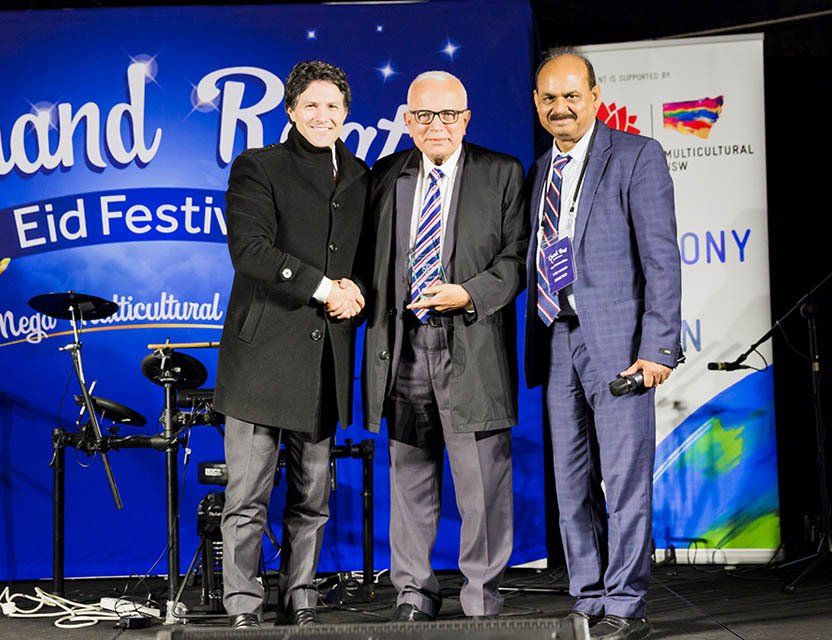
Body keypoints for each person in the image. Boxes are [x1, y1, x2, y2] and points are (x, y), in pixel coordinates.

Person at [360, 71, 529, 621]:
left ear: (467, 118)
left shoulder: (502, 173)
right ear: (408, 120)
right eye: (425, 115)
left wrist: (469, 293)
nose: (438, 125)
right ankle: (414, 592)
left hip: (472, 346)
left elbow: (516, 259)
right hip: (403, 346)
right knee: (409, 476)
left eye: (449, 114)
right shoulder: (386, 175)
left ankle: (481, 597)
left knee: (482, 484)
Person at [525, 50, 682, 640]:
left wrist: (658, 348)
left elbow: (661, 260)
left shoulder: (638, 156)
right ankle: (588, 597)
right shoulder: (540, 170)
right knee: (571, 483)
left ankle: (626, 604)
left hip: (620, 345)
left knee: (624, 481)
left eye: (571, 95)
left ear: (595, 96)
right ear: (537, 103)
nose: (560, 107)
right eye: (549, 98)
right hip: (557, 338)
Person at [213, 60, 368, 629]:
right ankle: (243, 606)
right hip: (261, 360)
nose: (323, 116)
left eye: (333, 106)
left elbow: (367, 258)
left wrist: (358, 290)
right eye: (311, 105)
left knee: (312, 497)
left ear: (346, 113)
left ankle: (300, 598)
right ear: (291, 110)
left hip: (324, 359)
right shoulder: (259, 166)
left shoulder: (360, 175)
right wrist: (327, 288)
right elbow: (250, 252)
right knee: (247, 498)